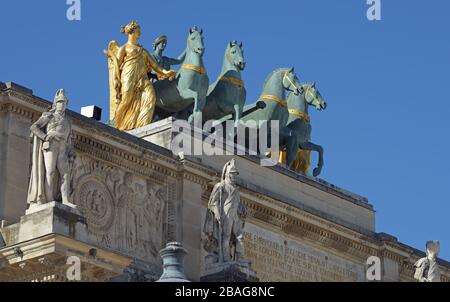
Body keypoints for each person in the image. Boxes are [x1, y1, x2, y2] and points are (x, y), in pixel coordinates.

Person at [105, 21, 176, 131]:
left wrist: (166, 73)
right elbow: (116, 65)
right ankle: (116, 125)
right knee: (126, 101)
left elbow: (155, 66)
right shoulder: (124, 48)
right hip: (129, 76)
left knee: (150, 97)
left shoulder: (142, 50)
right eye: (138, 31)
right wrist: (115, 77)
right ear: (131, 32)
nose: (140, 33)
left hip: (142, 78)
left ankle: (141, 126)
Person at [27, 88, 75, 207]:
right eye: (59, 102)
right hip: (51, 145)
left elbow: (69, 139)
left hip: (63, 147)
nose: (62, 105)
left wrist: (71, 151)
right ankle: (48, 199)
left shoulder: (68, 121)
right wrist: (44, 136)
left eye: (64, 103)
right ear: (55, 103)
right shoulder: (49, 116)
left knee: (65, 174)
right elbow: (34, 127)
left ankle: (65, 200)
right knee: (50, 171)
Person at [203, 158, 248, 263]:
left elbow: (237, 202)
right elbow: (213, 203)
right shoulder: (221, 186)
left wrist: (242, 207)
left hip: (235, 215)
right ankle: (226, 257)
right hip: (226, 214)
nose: (235, 176)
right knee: (226, 236)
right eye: (233, 174)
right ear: (228, 174)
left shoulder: (236, 189)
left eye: (235, 174)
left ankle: (240, 257)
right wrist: (217, 213)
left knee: (239, 237)